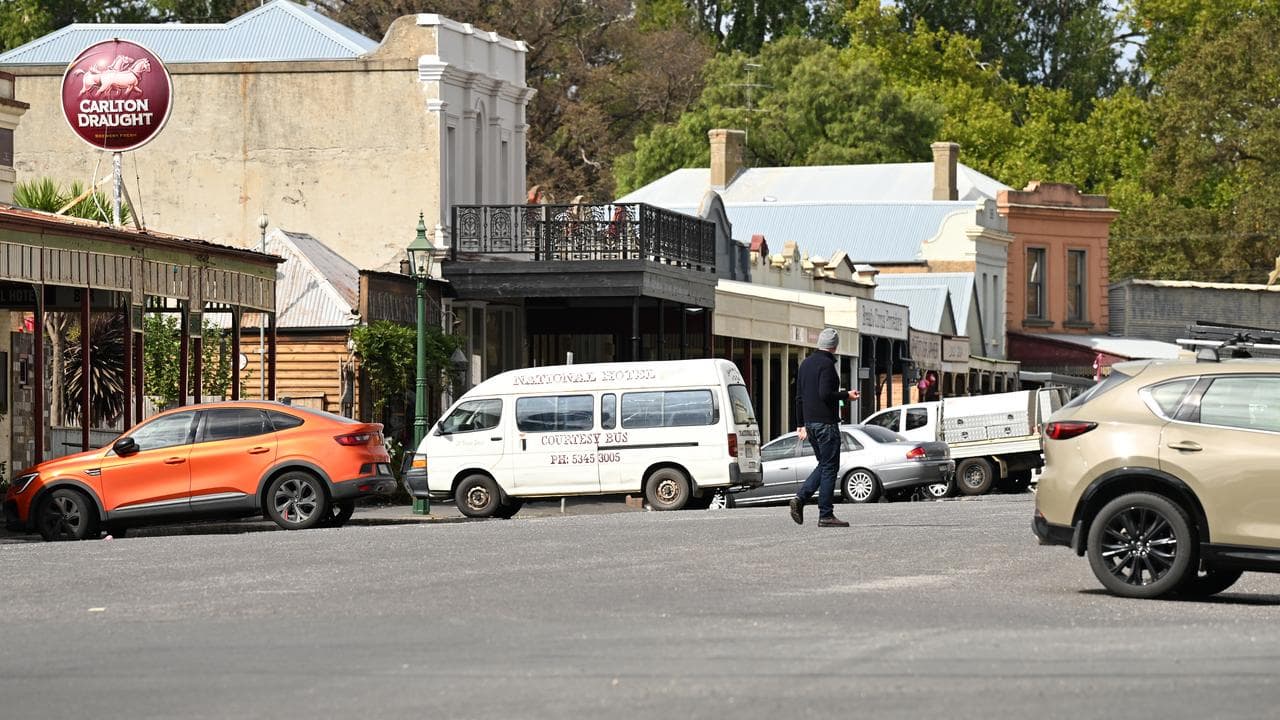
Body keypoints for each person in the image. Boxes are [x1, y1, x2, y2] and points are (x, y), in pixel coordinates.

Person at [790, 328, 860, 527]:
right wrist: (847, 395)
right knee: (830, 467)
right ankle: (825, 514)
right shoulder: (827, 365)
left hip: (810, 424)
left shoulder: (805, 364)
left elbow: (799, 398)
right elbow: (825, 394)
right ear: (834, 346)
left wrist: (800, 424)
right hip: (826, 424)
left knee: (823, 465)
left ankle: (801, 499)